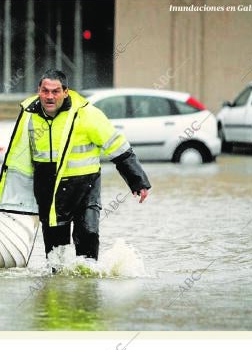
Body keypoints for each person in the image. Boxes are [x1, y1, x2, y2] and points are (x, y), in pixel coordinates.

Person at [0, 69, 151, 262]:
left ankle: (87, 287)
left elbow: (117, 146)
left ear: (65, 92)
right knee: (56, 255)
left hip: (85, 187)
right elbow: (18, 155)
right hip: (48, 189)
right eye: (45, 91)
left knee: (88, 239)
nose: (49, 96)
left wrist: (138, 181)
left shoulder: (86, 114)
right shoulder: (29, 115)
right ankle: (57, 286)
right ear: (39, 90)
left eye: (55, 91)